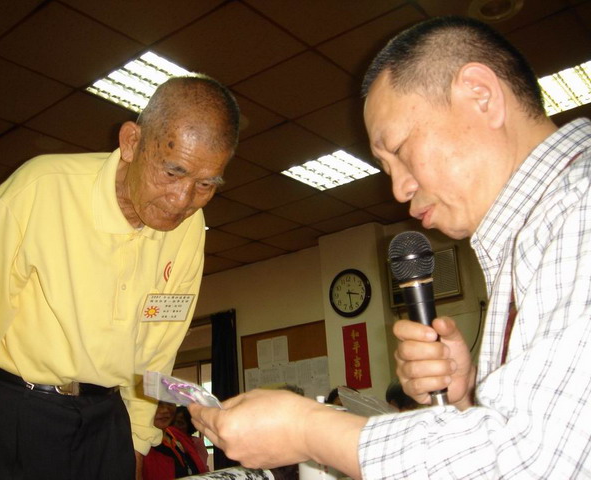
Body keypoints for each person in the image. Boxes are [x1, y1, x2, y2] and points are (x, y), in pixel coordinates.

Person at [189, 15, 591, 479]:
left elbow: (533, 463)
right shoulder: (540, 230)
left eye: (398, 149)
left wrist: (308, 429)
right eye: (386, 168)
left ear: (480, 95)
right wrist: (468, 397)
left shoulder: (579, 207)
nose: (399, 189)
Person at [0, 74, 239, 480]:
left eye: (205, 184)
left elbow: (158, 348)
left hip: (107, 422)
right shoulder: (40, 189)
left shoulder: (189, 229)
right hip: (17, 412)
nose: (182, 201)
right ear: (131, 142)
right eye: (173, 172)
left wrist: (137, 440)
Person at [143, 401, 209, 479]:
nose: (165, 410)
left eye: (170, 402)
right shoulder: (138, 443)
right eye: (158, 403)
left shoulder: (177, 435)